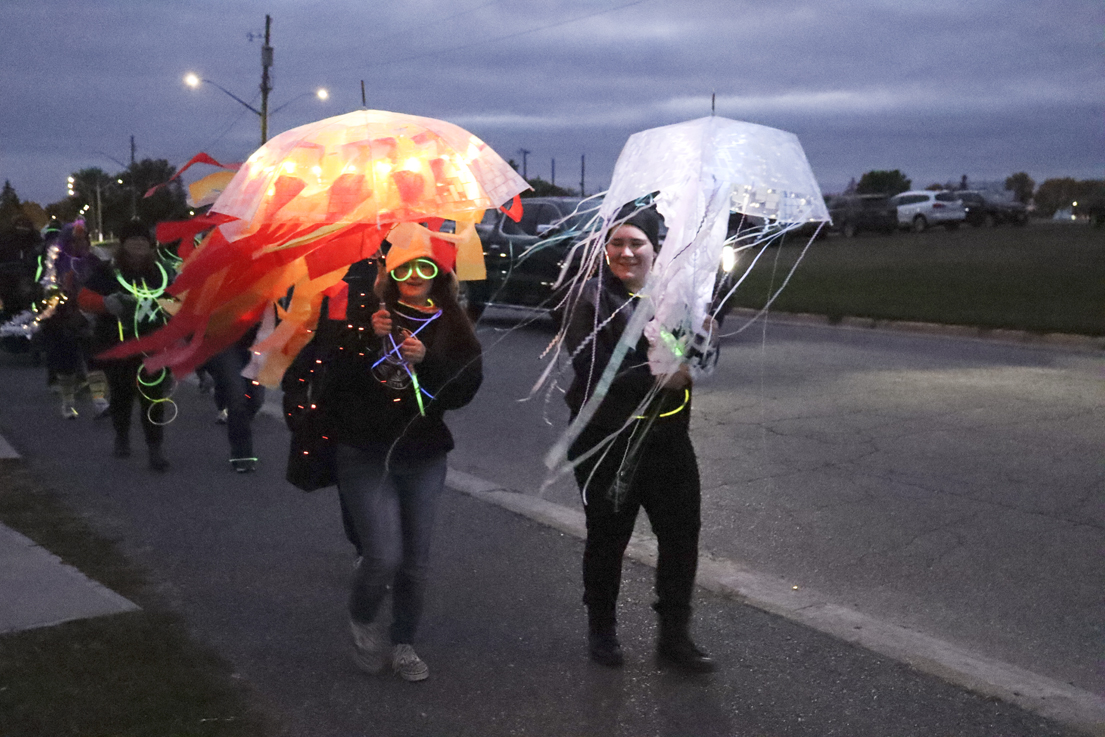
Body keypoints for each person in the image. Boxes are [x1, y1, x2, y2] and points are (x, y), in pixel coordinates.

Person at [320, 237, 482, 682]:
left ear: (439, 275)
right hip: (365, 454)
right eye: (404, 268)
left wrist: (428, 361)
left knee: (415, 562)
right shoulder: (367, 315)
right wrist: (364, 340)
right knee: (382, 556)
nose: (414, 277)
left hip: (423, 455)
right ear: (389, 273)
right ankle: (362, 617)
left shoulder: (452, 322)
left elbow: (464, 389)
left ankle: (404, 642)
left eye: (424, 268)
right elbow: (332, 378)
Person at [563, 205, 717, 672]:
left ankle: (674, 636)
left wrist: (706, 342)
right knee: (608, 536)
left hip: (668, 438)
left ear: (656, 249)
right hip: (607, 441)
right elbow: (592, 366)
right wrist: (659, 375)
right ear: (605, 248)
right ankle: (602, 629)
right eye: (617, 243)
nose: (626, 252)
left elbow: (702, 364)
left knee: (681, 536)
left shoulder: (678, 297)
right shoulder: (589, 298)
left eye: (637, 243)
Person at [79, 220, 175, 471]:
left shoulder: (161, 272)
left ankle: (155, 448)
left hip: (153, 344)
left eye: (143, 240)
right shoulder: (108, 271)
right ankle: (122, 435)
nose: (139, 244)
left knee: (154, 398)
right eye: (133, 239)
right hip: (118, 343)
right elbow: (84, 298)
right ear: (123, 244)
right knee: (122, 395)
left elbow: (180, 296)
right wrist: (106, 303)